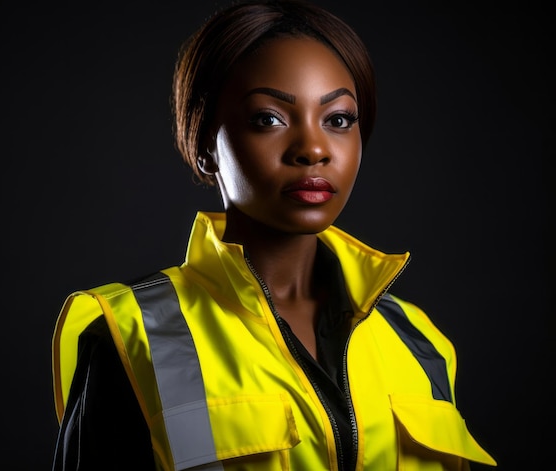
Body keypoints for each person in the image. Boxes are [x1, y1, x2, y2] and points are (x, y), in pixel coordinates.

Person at [51, 1, 497, 469]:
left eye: (338, 119)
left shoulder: (419, 340)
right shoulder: (131, 337)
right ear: (205, 145)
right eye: (269, 119)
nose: (313, 149)